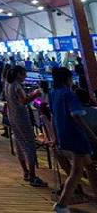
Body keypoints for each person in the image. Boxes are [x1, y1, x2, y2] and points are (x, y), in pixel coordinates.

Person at [50, 70, 97, 212]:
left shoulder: (53, 93)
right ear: (67, 79)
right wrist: (91, 135)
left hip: (63, 134)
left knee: (90, 166)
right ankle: (61, 204)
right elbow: (77, 116)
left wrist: (55, 137)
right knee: (76, 172)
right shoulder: (69, 94)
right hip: (76, 135)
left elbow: (53, 116)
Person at [4, 65, 47, 187]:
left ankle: (26, 172)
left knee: (19, 143)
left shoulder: (7, 84)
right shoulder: (17, 86)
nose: (26, 76)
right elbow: (24, 101)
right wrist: (36, 94)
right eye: (24, 74)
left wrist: (30, 95)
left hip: (12, 116)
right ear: (18, 74)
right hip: (21, 118)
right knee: (29, 145)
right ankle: (33, 176)